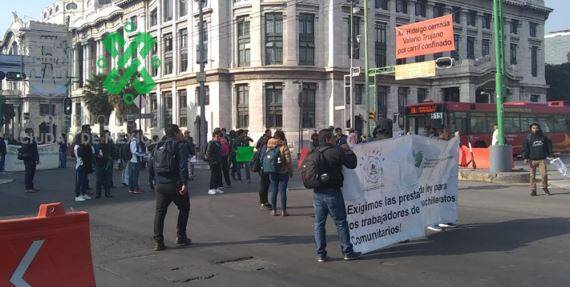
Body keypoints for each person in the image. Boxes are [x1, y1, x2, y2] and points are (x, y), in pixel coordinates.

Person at [312, 129, 360, 262]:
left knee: (319, 224)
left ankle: (321, 254)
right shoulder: (336, 151)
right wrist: (348, 150)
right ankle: (347, 252)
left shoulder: (314, 152)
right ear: (327, 139)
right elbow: (352, 164)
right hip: (333, 192)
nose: (334, 139)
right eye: (332, 137)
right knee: (340, 222)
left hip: (317, 193)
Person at [152, 124, 191, 251]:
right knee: (184, 207)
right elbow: (182, 165)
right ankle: (181, 236)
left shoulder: (158, 145)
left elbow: (151, 165)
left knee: (160, 212)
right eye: (179, 132)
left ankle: (158, 242)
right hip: (174, 184)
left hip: (160, 184)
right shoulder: (180, 145)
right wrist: (184, 182)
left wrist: (154, 181)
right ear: (176, 133)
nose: (181, 134)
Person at [266, 130, 293, 216]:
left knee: (273, 190)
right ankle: (283, 211)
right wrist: (291, 171)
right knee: (282, 191)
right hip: (283, 171)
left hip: (272, 171)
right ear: (282, 137)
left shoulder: (269, 145)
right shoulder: (283, 146)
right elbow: (288, 160)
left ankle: (274, 210)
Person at [522, 123, 553, 197]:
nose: (535, 129)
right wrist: (525, 157)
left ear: (539, 128)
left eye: (536, 128)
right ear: (531, 129)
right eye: (533, 128)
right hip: (532, 160)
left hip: (542, 160)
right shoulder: (528, 138)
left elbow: (549, 146)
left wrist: (550, 155)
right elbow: (526, 149)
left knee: (544, 175)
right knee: (532, 176)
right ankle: (533, 190)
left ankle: (545, 188)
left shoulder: (543, 137)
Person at [74, 130, 94, 201]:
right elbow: (80, 155)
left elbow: (92, 152)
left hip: (85, 165)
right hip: (80, 165)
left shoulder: (85, 146)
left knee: (84, 181)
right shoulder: (77, 147)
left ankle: (83, 193)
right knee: (79, 181)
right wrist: (85, 147)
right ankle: (77, 195)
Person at [94, 132, 114, 198]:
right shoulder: (97, 145)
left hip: (106, 163)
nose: (106, 138)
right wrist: (97, 156)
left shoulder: (108, 145)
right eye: (104, 137)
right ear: (101, 138)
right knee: (99, 180)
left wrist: (110, 157)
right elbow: (94, 154)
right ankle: (98, 194)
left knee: (107, 179)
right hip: (99, 164)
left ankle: (107, 193)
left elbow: (111, 152)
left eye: (106, 137)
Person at [20, 128, 40, 193]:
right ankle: (28, 188)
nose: (32, 132)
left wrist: (37, 159)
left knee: (32, 173)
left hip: (32, 158)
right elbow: (25, 148)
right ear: (28, 132)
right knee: (28, 173)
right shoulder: (26, 139)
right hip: (28, 158)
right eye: (31, 132)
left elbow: (35, 150)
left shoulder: (31, 139)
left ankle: (31, 187)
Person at [256, 133, 272, 210]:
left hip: (263, 168)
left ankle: (263, 200)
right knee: (264, 185)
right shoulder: (265, 147)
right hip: (264, 169)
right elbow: (262, 159)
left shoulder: (263, 146)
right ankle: (263, 201)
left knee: (264, 185)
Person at [206, 130, 224, 195]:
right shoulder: (211, 143)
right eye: (217, 136)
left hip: (218, 161)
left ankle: (216, 187)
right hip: (213, 162)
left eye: (219, 136)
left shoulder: (218, 143)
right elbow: (208, 154)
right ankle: (211, 188)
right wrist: (213, 161)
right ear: (214, 137)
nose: (219, 138)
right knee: (213, 175)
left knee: (218, 175)